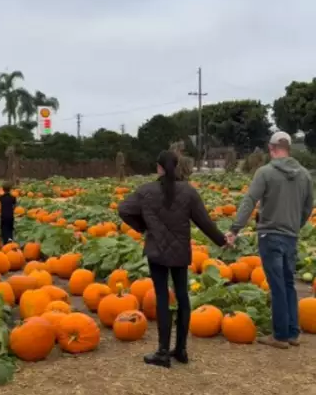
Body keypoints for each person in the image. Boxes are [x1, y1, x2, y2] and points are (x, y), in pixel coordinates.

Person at [118, 150, 227, 368]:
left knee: (162, 298)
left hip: (156, 250)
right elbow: (204, 222)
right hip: (180, 252)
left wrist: (144, 227)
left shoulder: (146, 191)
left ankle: (162, 352)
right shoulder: (188, 192)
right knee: (182, 297)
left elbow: (124, 210)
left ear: (158, 167)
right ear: (176, 167)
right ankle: (181, 350)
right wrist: (222, 241)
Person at [226, 131, 313, 349]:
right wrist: (296, 225)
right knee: (289, 283)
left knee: (277, 285)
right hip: (291, 236)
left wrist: (235, 228)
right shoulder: (304, 175)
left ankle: (280, 335)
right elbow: (308, 207)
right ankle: (293, 332)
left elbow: (250, 200)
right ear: (289, 148)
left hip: (270, 235)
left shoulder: (265, 172)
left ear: (271, 148)